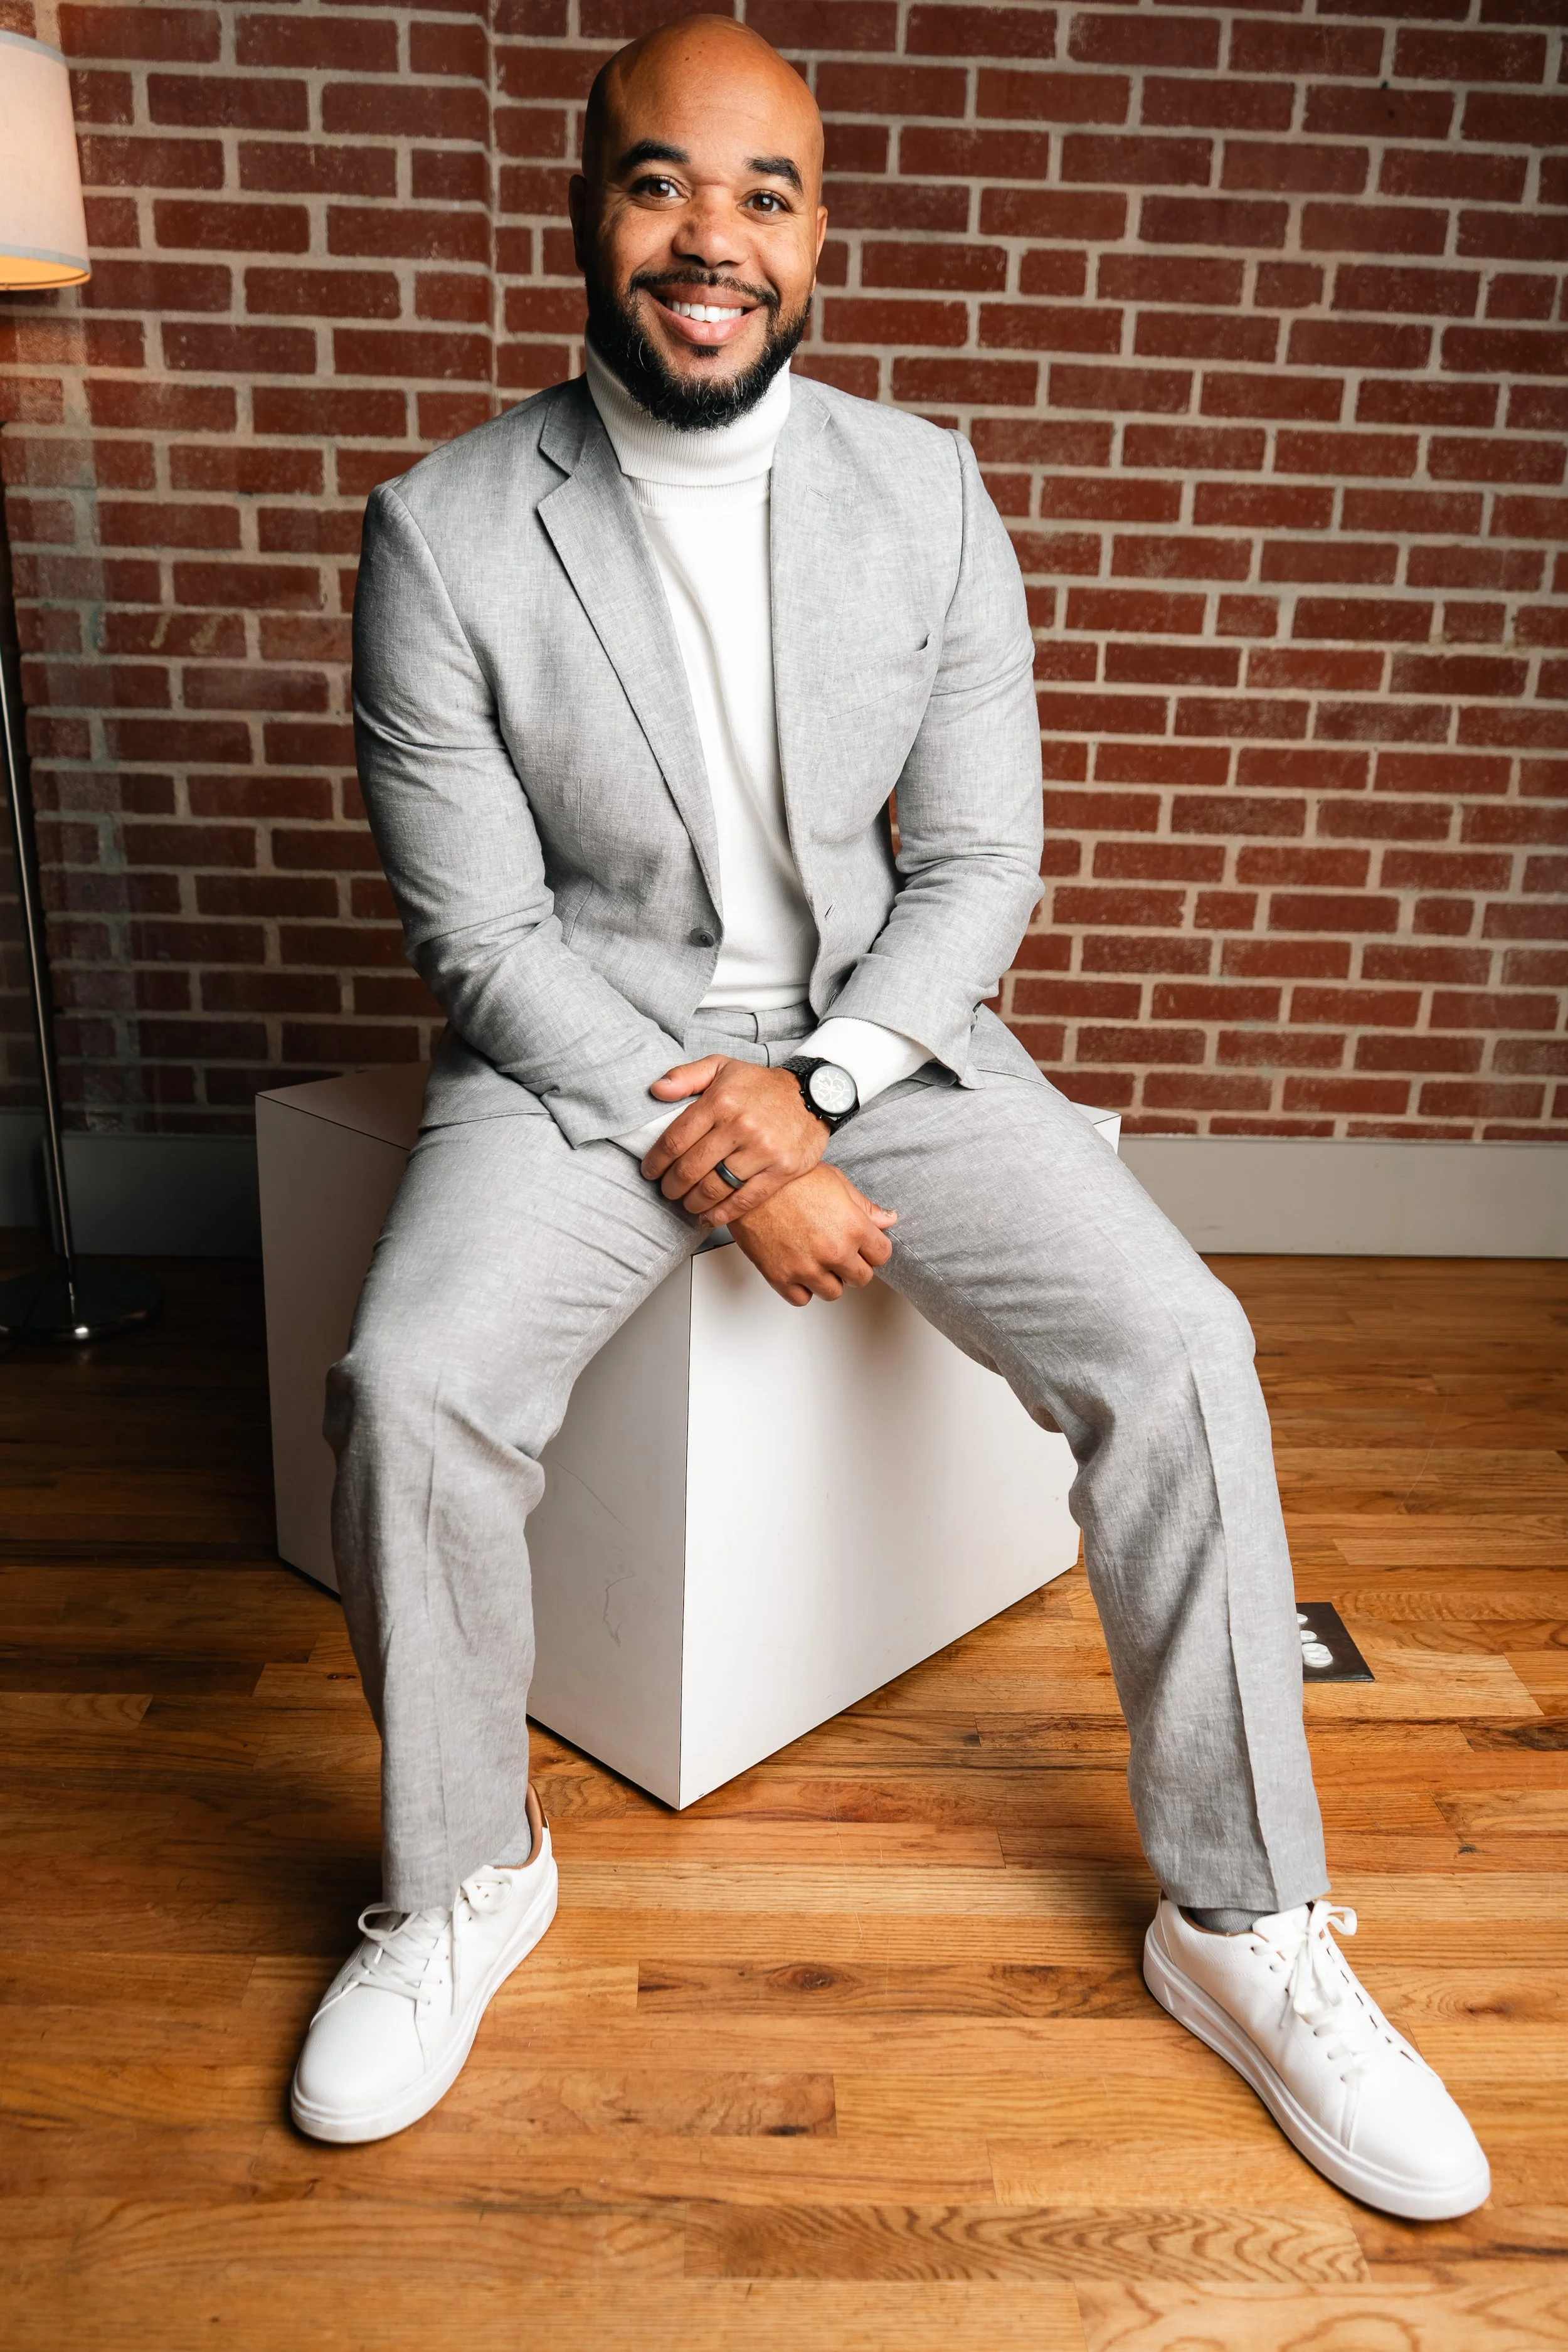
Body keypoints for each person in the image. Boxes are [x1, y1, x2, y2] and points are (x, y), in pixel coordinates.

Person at [288, 16, 1489, 2222]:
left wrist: (823, 1088)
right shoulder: (443, 530)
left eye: (764, 192)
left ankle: (1240, 1924)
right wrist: (741, 1152)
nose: (710, 237)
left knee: (1188, 1347)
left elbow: (978, 869)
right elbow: (479, 938)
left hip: (886, 1042)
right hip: (584, 1059)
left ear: (819, 235)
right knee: (410, 1382)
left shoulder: (922, 488)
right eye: (659, 183)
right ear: (585, 207)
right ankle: (459, 1878)